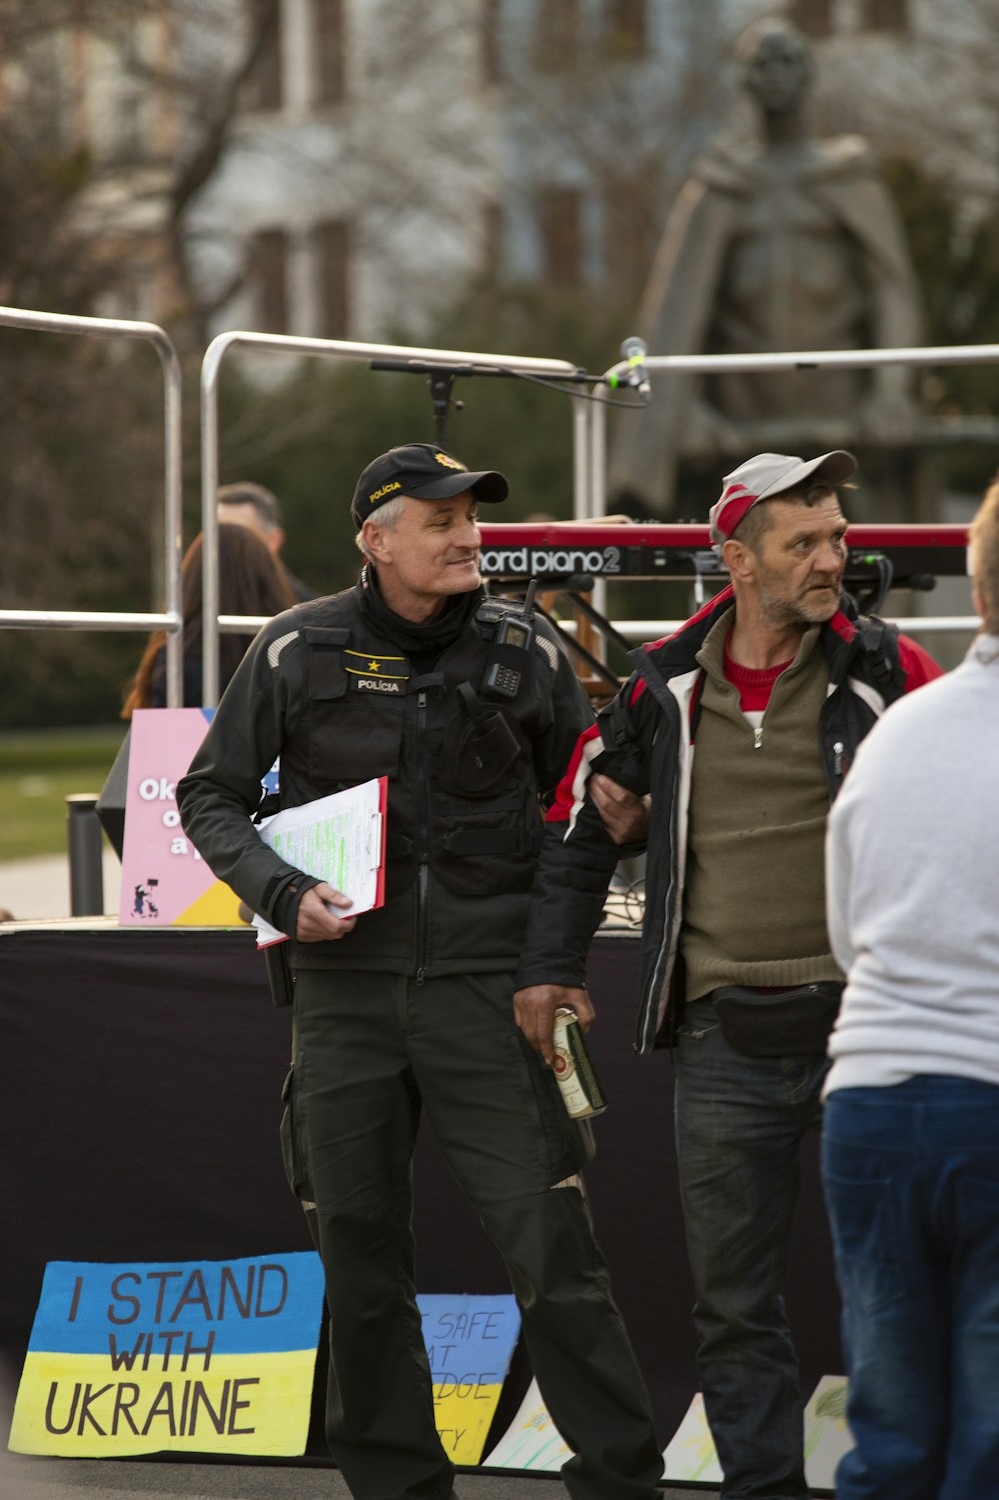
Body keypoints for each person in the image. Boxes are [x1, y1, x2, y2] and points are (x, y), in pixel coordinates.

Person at [176, 442, 664, 1500]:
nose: (466, 536)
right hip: (344, 997)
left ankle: (620, 1480)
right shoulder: (292, 649)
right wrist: (276, 891)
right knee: (357, 1261)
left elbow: (584, 814)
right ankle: (395, 1484)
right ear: (375, 538)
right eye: (438, 520)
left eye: (471, 516)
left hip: (494, 998)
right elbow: (207, 794)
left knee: (552, 1249)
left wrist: (609, 848)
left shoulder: (526, 649)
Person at [514, 449, 942, 1500]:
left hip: (869, 1032)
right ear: (735, 560)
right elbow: (577, 827)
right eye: (802, 542)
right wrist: (548, 973)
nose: (832, 559)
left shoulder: (893, 672)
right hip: (720, 1042)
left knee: (896, 1290)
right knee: (734, 1306)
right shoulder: (660, 684)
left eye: (837, 537)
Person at [821, 478, 999, 1499]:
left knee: (889, 1438)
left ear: (976, 592)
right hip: (986, 1100)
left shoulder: (899, 733)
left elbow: (850, 931)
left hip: (871, 1101)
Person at [609, 18, 922, 515]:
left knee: (864, 563)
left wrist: (891, 392)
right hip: (742, 420)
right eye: (762, 63)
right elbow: (677, 312)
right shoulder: (720, 183)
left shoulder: (848, 175)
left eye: (787, 61)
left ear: (808, 73)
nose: (775, 73)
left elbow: (892, 289)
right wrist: (685, 408)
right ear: (744, 79)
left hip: (845, 414)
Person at [122, 523, 297, 715]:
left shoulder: (173, 659)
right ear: (267, 580)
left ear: (192, 583)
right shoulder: (290, 651)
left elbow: (158, 737)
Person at [218, 479, 316, 600]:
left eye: (241, 536)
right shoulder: (195, 601)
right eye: (217, 534)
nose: (224, 544)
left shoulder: (304, 611)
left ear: (273, 540)